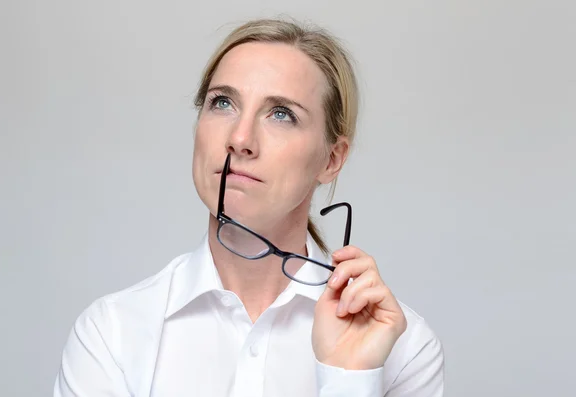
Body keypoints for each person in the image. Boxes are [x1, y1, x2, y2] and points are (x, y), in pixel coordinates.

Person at [53, 17, 444, 397]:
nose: (240, 139)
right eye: (222, 103)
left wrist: (349, 378)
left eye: (281, 114)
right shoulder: (112, 333)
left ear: (332, 159)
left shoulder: (404, 351)